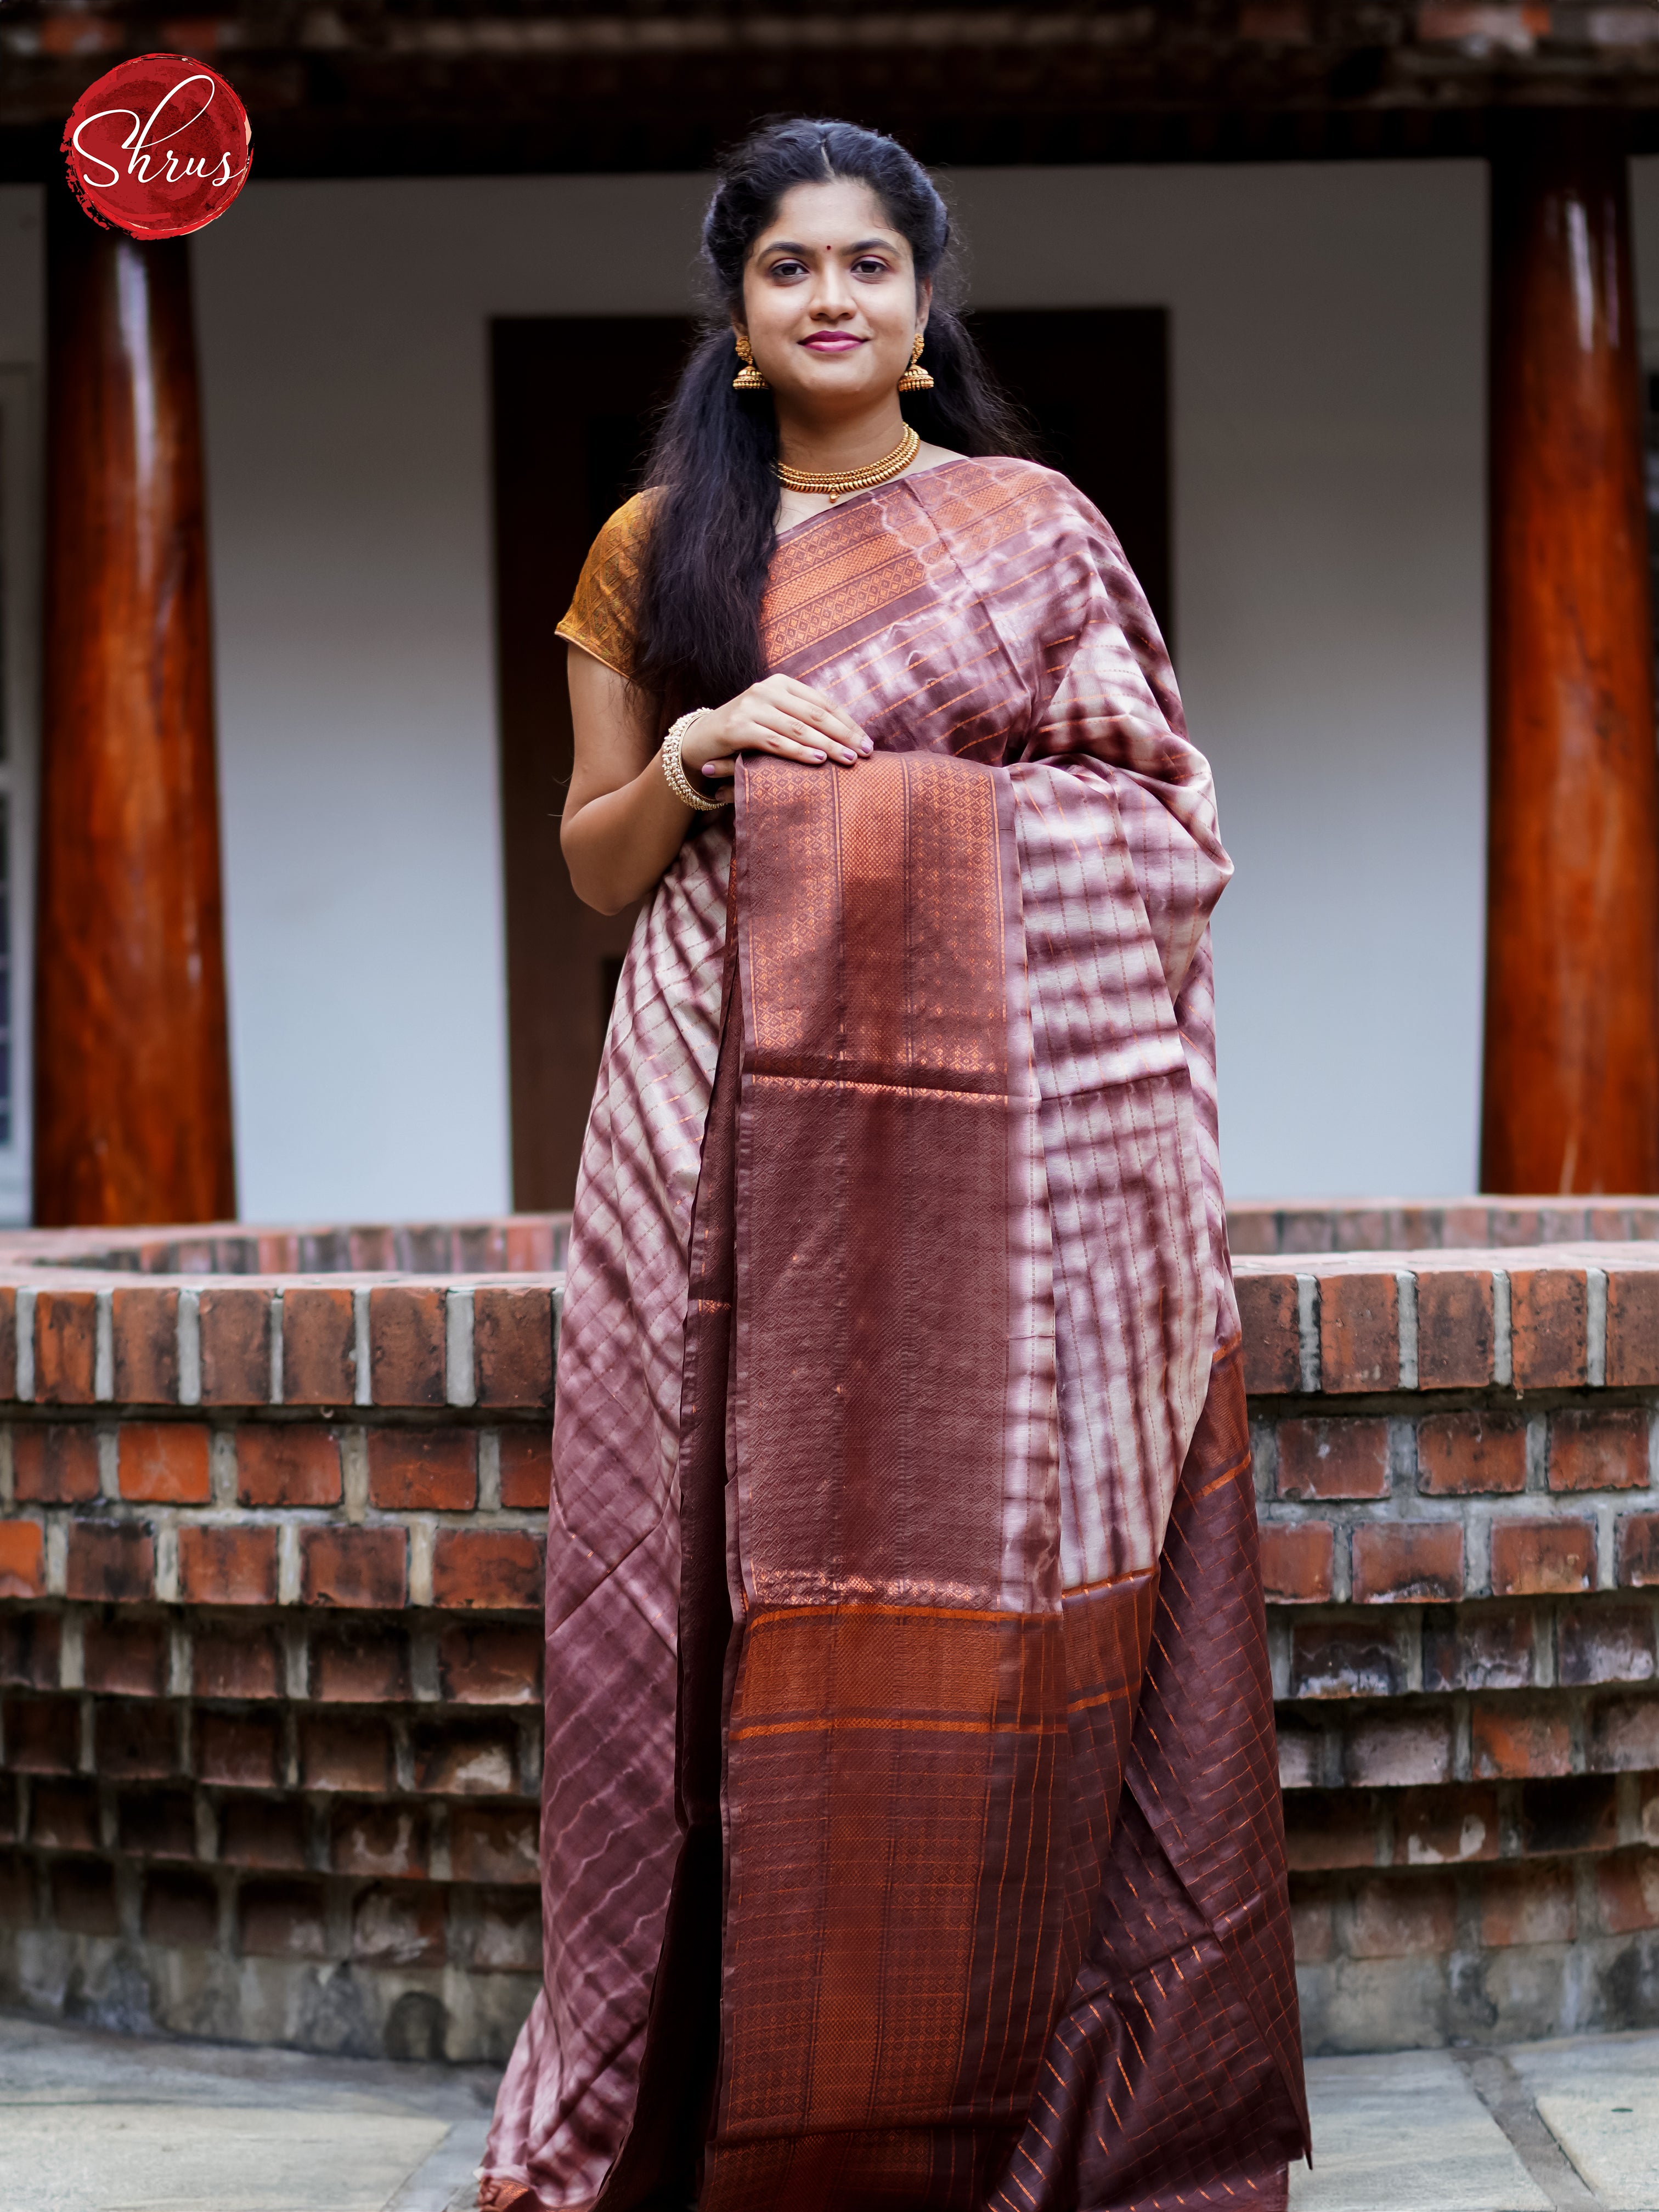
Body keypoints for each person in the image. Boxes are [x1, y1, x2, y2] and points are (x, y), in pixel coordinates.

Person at [481, 116, 1309, 2212]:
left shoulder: (1031, 526)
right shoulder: (655, 545)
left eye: (869, 265)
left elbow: (1160, 822)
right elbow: (595, 867)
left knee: (998, 1585)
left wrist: (912, 824)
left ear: (924, 311)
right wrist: (694, 751)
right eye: (787, 272)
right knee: (702, 1584)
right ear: (738, 323)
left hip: (997, 1157)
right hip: (713, 1116)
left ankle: (982, 2074)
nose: (829, 297)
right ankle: (697, 2092)